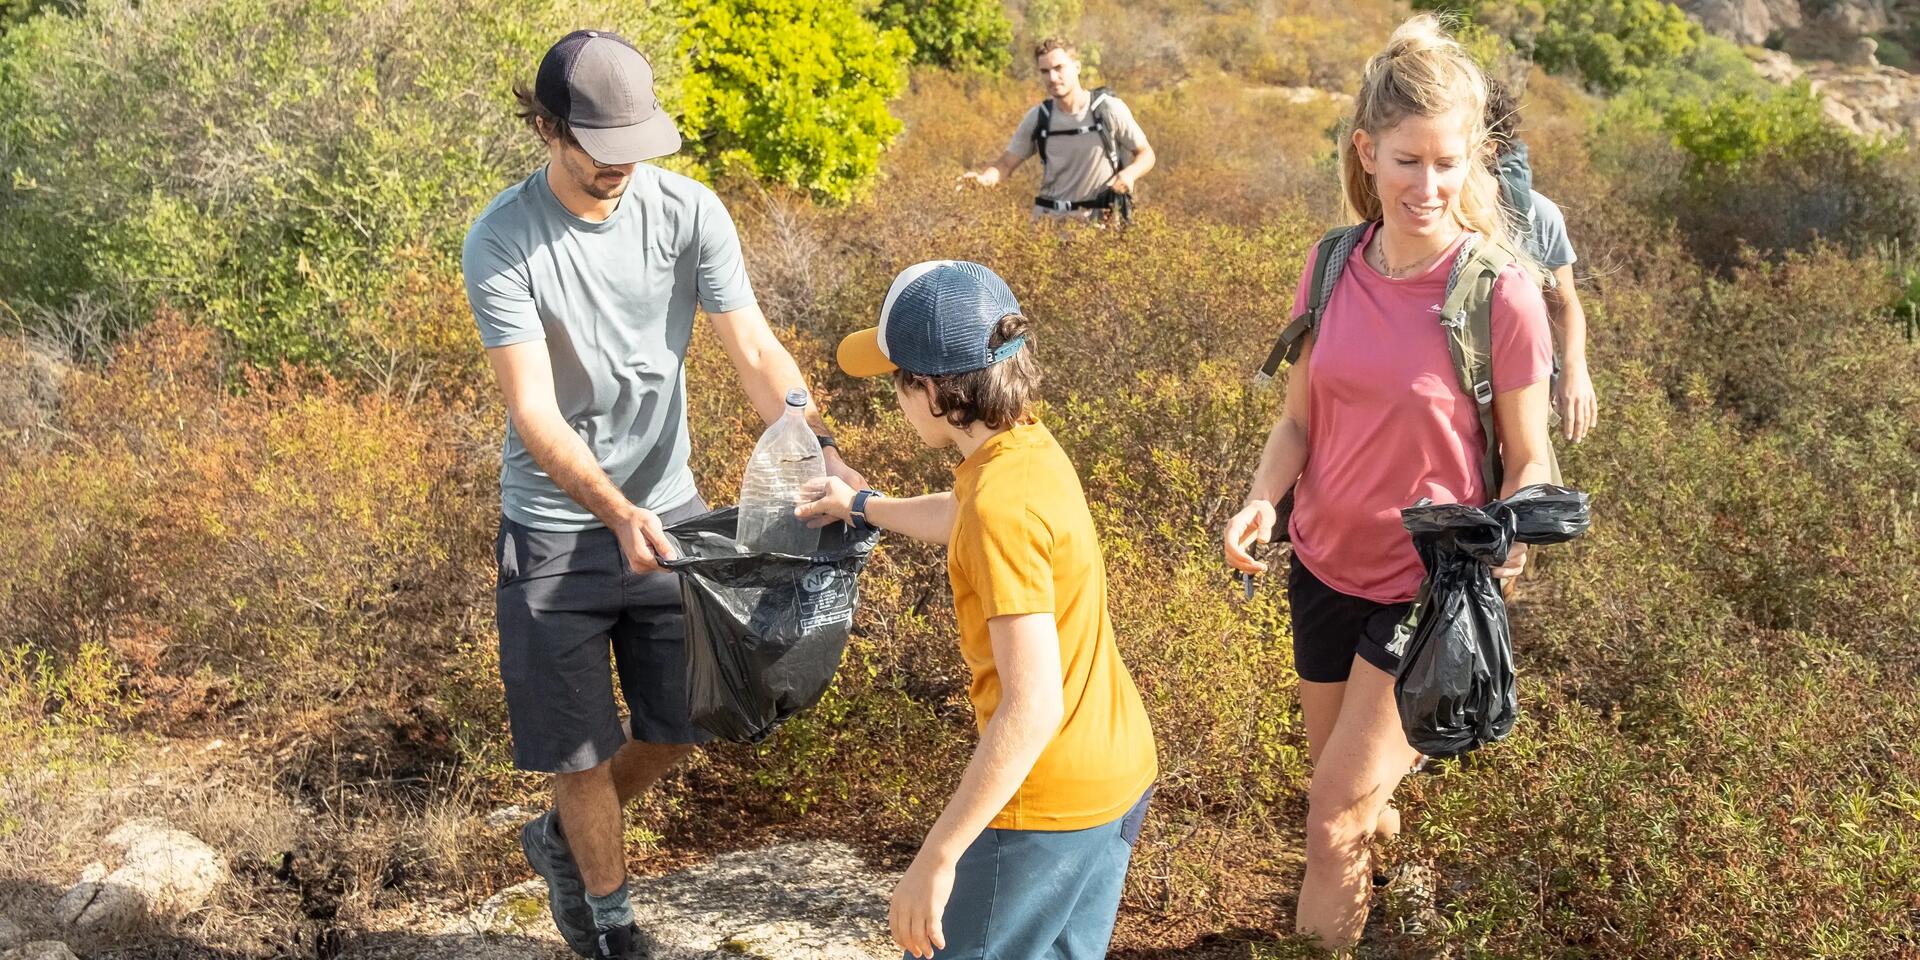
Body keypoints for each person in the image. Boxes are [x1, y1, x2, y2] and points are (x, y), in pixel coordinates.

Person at [461, 29, 865, 960]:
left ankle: (561, 842)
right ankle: (609, 921)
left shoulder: (688, 213)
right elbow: (534, 412)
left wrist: (817, 446)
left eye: (637, 146)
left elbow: (756, 350)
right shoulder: (503, 239)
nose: (622, 170)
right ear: (547, 129)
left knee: (682, 724)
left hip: (671, 509)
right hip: (556, 532)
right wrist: (613, 510)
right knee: (575, 749)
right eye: (603, 151)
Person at [1222, 16, 1556, 952]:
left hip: (1426, 589)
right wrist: (1262, 497)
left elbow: (1530, 457)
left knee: (1330, 824)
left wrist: (1515, 530)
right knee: (1347, 789)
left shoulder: (1500, 293)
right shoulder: (1330, 264)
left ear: (1476, 159)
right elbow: (1298, 418)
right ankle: (1409, 913)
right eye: (1407, 162)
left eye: (1448, 164)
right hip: (1322, 566)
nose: (1428, 187)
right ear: (1367, 152)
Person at [797, 261, 1157, 959]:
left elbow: (1031, 708)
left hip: (1046, 803)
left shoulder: (1000, 505)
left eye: (897, 382)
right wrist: (863, 506)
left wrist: (937, 858)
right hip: (1117, 769)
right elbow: (959, 512)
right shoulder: (1025, 449)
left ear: (929, 390)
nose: (895, 401)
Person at [1486, 79, 1598, 443]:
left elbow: (1564, 303)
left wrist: (1574, 367)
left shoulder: (1538, 215)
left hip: (1523, 406)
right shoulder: (1423, 217)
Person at [959, 37, 1156, 223]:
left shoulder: (1109, 109)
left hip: (1099, 226)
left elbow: (1146, 154)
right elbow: (1006, 164)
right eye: (1045, 71)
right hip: (1048, 229)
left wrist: (1129, 174)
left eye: (1058, 68)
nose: (1052, 78)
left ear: (1077, 67)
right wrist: (983, 180)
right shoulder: (1038, 117)